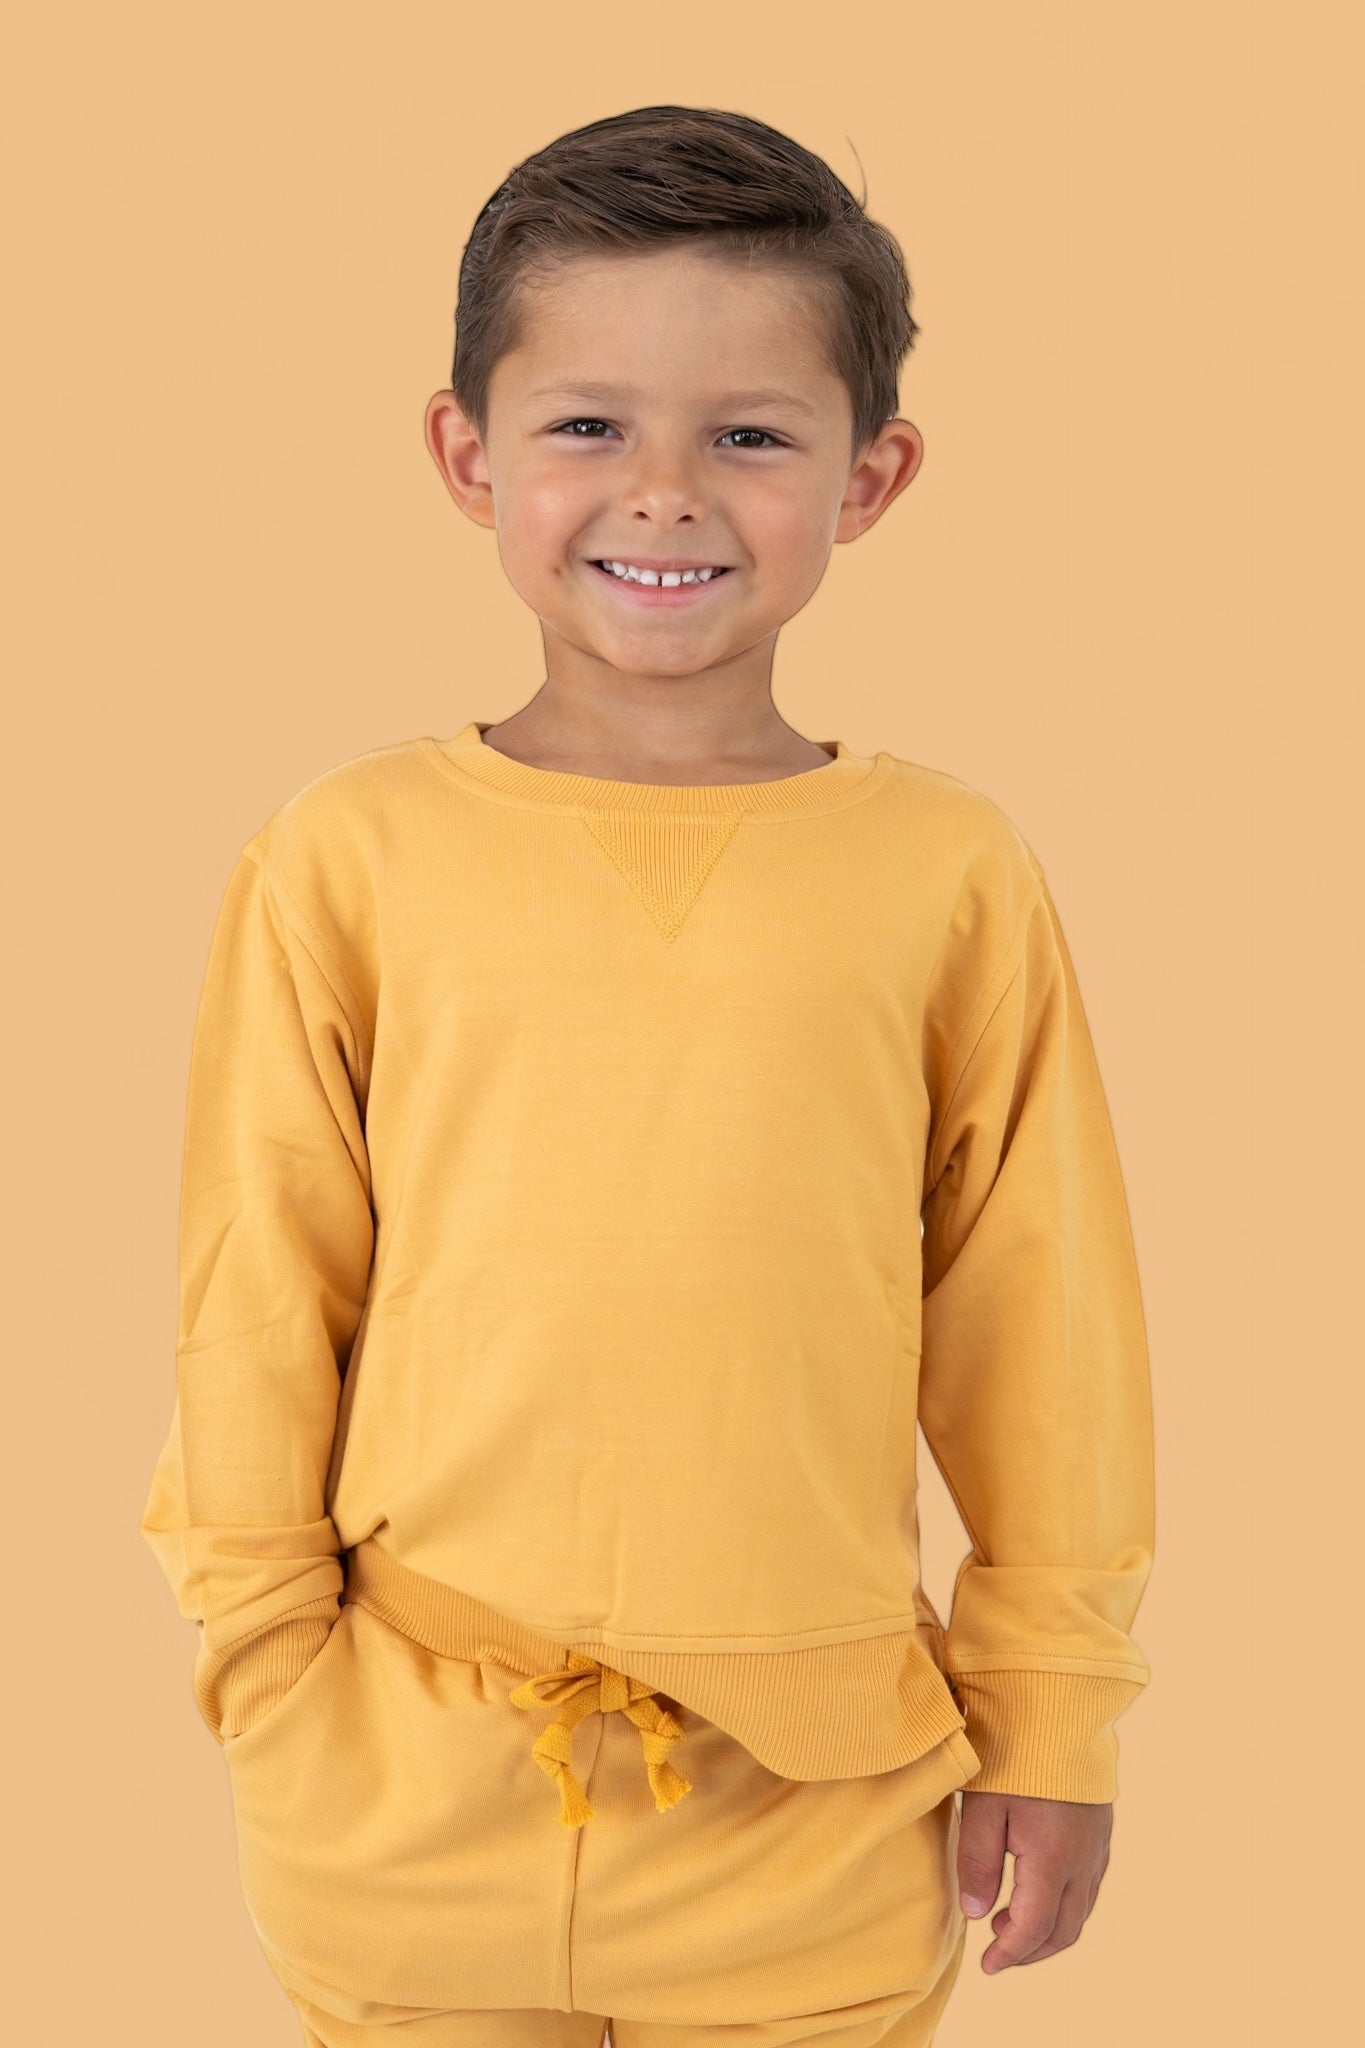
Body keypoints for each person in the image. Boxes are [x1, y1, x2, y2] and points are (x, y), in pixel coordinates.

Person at [140, 103, 1155, 2048]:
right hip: (399, 1794)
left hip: (823, 1805)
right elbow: (258, 1286)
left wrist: (1054, 1715)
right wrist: (267, 1665)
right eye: (588, 425)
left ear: (870, 475)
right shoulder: (346, 855)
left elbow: (1038, 1324)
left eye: (749, 436)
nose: (664, 495)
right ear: (469, 454)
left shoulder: (943, 870)